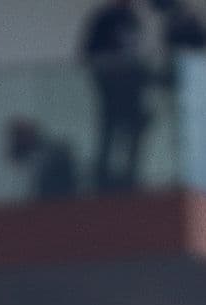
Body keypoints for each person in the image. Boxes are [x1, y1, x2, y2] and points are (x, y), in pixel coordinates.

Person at [79, 1, 149, 192]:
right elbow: (88, 52)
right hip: (110, 85)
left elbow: (135, 53)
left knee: (134, 127)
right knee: (109, 128)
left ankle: (130, 173)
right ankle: (102, 175)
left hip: (130, 86)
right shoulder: (104, 18)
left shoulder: (133, 19)